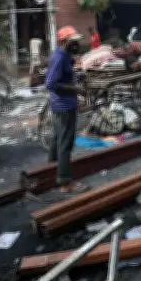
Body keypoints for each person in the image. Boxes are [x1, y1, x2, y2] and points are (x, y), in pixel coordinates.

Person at [45, 26, 89, 193]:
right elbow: (51, 84)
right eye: (73, 41)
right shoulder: (59, 57)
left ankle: (50, 174)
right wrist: (75, 89)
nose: (76, 44)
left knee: (57, 140)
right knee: (65, 143)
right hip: (64, 106)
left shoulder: (63, 55)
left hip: (61, 105)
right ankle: (65, 182)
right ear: (64, 41)